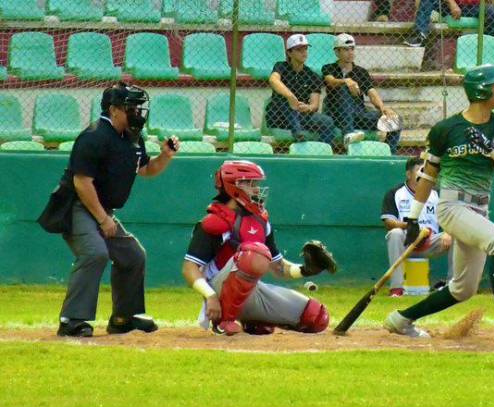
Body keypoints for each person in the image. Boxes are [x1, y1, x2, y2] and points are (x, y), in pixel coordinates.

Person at [383, 64, 494, 343]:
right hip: (452, 207)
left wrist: (491, 148)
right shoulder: (446, 129)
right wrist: (413, 218)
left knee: (463, 289)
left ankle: (401, 319)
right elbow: (428, 175)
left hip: (479, 209)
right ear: (481, 90)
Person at [56, 82, 179, 337]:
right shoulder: (94, 136)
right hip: (76, 206)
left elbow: (145, 170)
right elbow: (82, 182)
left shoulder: (132, 138)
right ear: (113, 110)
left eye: (137, 106)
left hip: (102, 209)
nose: (136, 112)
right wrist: (103, 219)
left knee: (133, 255)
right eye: (130, 107)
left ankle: (124, 317)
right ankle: (72, 320)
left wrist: (165, 155)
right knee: (95, 253)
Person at [181, 160, 336, 336]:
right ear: (233, 187)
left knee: (316, 317)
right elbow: (189, 268)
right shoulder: (216, 221)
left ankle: (254, 321)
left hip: (251, 289)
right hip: (219, 290)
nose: (256, 189)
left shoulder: (260, 219)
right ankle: (224, 321)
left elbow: (277, 267)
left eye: (256, 183)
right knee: (252, 252)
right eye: (250, 183)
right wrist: (210, 296)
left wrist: (305, 270)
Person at [381, 157, 452, 297]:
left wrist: (448, 232)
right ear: (409, 174)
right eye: (420, 171)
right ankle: (397, 288)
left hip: (431, 242)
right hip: (406, 243)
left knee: (458, 236)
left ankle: (453, 286)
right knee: (395, 233)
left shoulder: (437, 193)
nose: (424, 174)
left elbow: (450, 217)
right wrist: (408, 225)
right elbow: (389, 222)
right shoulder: (395, 193)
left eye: (427, 171)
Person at [322, 34, 401, 152]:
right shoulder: (328, 68)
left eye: (352, 49)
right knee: (344, 88)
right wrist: (345, 81)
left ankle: (389, 154)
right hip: (336, 115)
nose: (350, 52)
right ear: (337, 52)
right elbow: (330, 81)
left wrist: (383, 109)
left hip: (359, 115)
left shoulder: (361, 72)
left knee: (394, 120)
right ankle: (348, 135)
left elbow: (372, 93)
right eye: (346, 49)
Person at [266, 34, 336, 145]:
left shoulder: (312, 75)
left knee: (327, 121)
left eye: (305, 48)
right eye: (299, 49)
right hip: (279, 116)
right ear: (289, 53)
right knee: (288, 103)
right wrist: (290, 97)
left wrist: (307, 108)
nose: (304, 52)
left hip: (302, 116)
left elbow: (315, 105)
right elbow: (273, 80)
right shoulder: (281, 66)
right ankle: (298, 133)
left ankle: (323, 150)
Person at [405, 0, 494, 47]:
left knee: (493, 14)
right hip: (450, 6)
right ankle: (420, 34)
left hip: (474, 7)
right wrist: (452, 3)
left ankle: (486, 44)